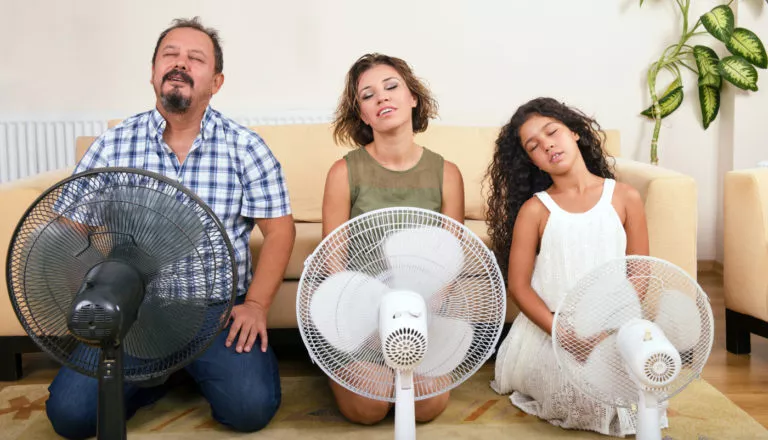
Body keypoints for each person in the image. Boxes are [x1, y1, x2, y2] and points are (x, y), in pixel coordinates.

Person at [45, 17, 295, 439]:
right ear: (153, 72)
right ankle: (158, 376)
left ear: (216, 82)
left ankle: (180, 369)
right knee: (71, 416)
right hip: (133, 312)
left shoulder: (245, 147)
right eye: (170, 55)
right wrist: (92, 298)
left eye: (195, 58)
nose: (180, 64)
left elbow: (280, 231)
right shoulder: (113, 145)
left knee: (249, 408)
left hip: (215, 311)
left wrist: (254, 305)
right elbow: (69, 229)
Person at [485, 97, 665, 436]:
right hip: (554, 330)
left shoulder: (626, 197)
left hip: (615, 324)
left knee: (641, 391)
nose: (547, 145)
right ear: (532, 161)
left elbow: (639, 271)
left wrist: (611, 328)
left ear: (574, 132)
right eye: (533, 146)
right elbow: (519, 287)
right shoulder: (535, 211)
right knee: (587, 401)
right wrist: (564, 335)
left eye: (552, 132)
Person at [321, 53, 465, 425]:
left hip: (422, 316)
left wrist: (419, 319)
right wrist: (367, 323)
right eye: (368, 96)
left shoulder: (447, 174)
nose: (381, 97)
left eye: (391, 87)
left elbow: (451, 263)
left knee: (427, 406)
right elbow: (334, 266)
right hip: (361, 317)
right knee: (368, 408)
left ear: (413, 97)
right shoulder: (342, 172)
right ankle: (343, 366)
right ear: (363, 116)